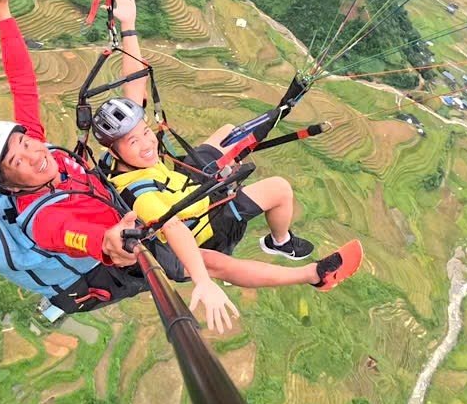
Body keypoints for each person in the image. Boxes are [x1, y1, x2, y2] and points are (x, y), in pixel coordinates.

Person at [92, 96, 364, 332]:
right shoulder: (141, 196)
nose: (147, 143)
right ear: (114, 150)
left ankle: (279, 111)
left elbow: (136, 79)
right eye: (133, 141)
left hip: (184, 188)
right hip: (202, 224)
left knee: (228, 133)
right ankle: (299, 260)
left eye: (146, 132)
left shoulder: (120, 162)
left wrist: (127, 34)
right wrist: (202, 281)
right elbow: (175, 229)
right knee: (278, 190)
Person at [0, 0, 145, 314]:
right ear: (12, 188)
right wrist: (108, 242)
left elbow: (22, 82)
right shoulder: (44, 221)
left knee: (133, 122)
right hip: (113, 264)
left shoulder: (35, 145)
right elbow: (75, 236)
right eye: (18, 161)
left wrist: (3, 9)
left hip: (106, 199)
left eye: (26, 142)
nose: (34, 153)